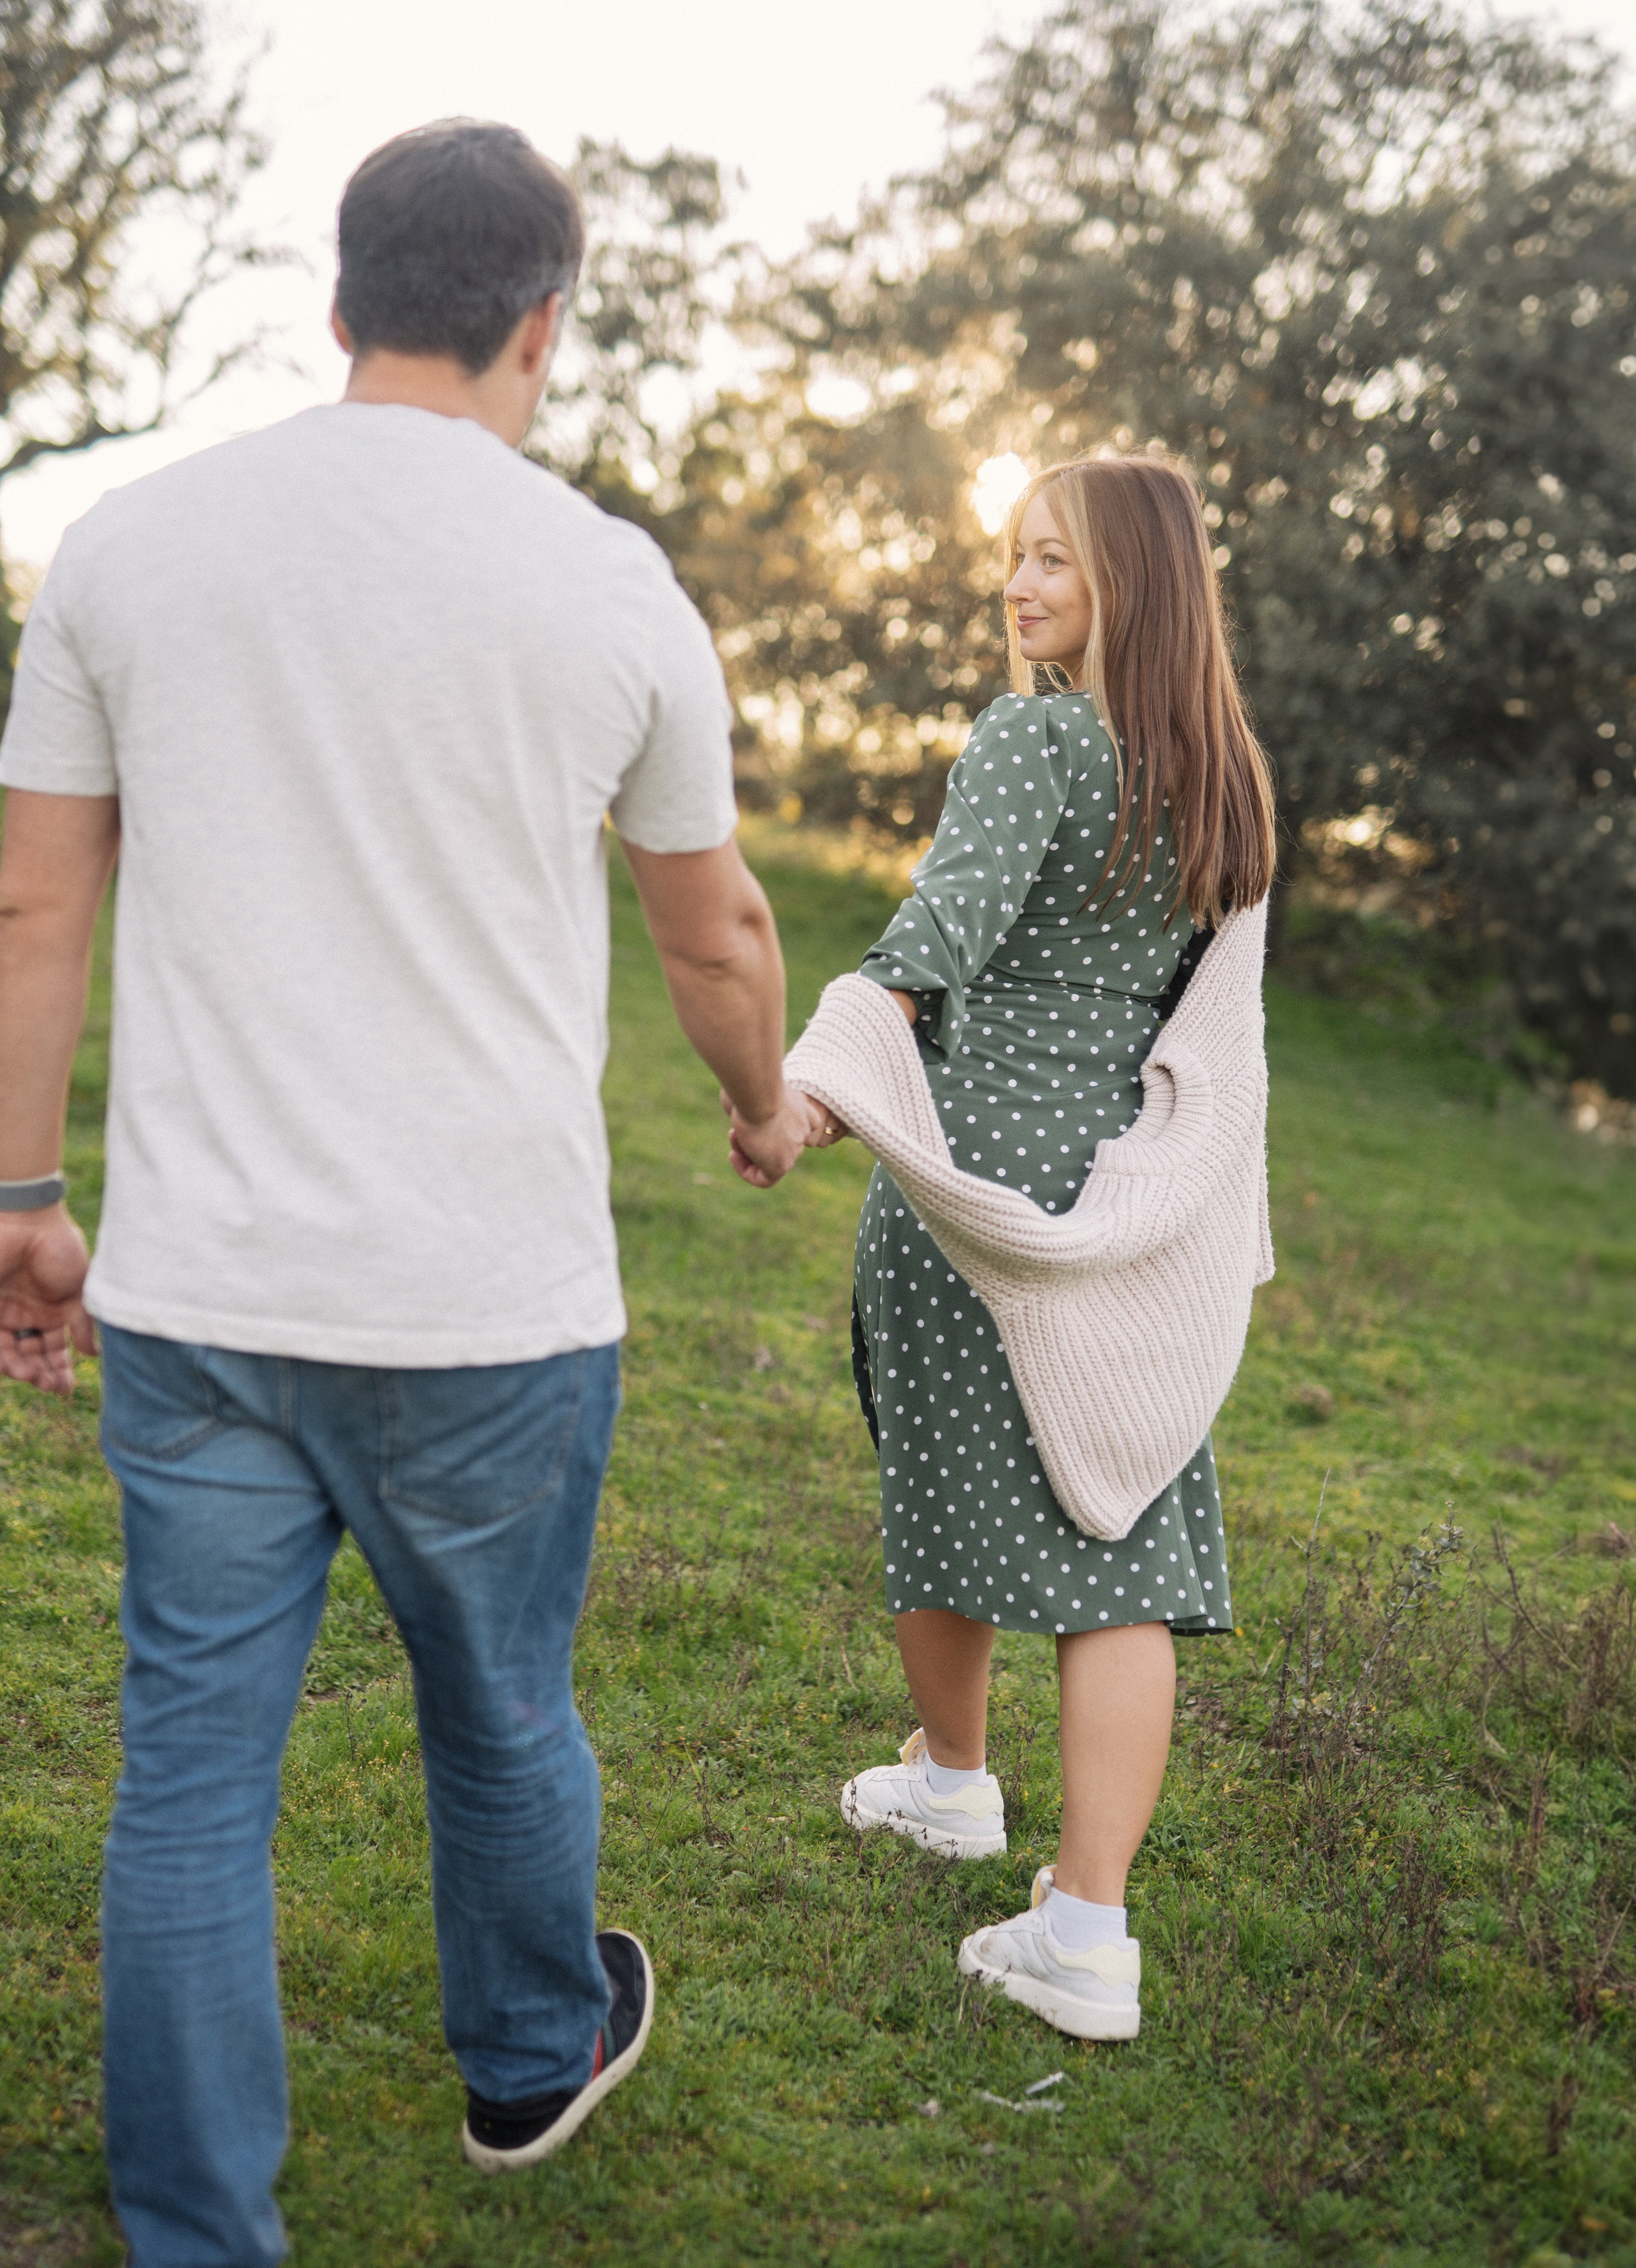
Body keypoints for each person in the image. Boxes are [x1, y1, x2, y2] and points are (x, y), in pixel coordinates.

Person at [0, 120, 810, 2264]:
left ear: (341, 297)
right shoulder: (609, 583)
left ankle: (196, 2228)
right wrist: (759, 1106)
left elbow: (28, 905)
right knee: (502, 1703)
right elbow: (720, 932)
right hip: (491, 1307)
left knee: (190, 1775)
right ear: (543, 324)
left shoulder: (128, 547)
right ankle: (530, 2055)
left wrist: (20, 1193)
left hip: (200, 1294)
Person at [763, 451, 1276, 2041]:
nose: (1017, 583)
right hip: (1128, 1189)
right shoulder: (1226, 780)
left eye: (1052, 556)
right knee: (1122, 1527)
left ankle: (954, 1779)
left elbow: (934, 937)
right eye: (1012, 552)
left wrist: (818, 1085)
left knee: (943, 1473)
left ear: (1132, 576)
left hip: (982, 1170)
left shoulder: (1033, 737)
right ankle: (1083, 1918)